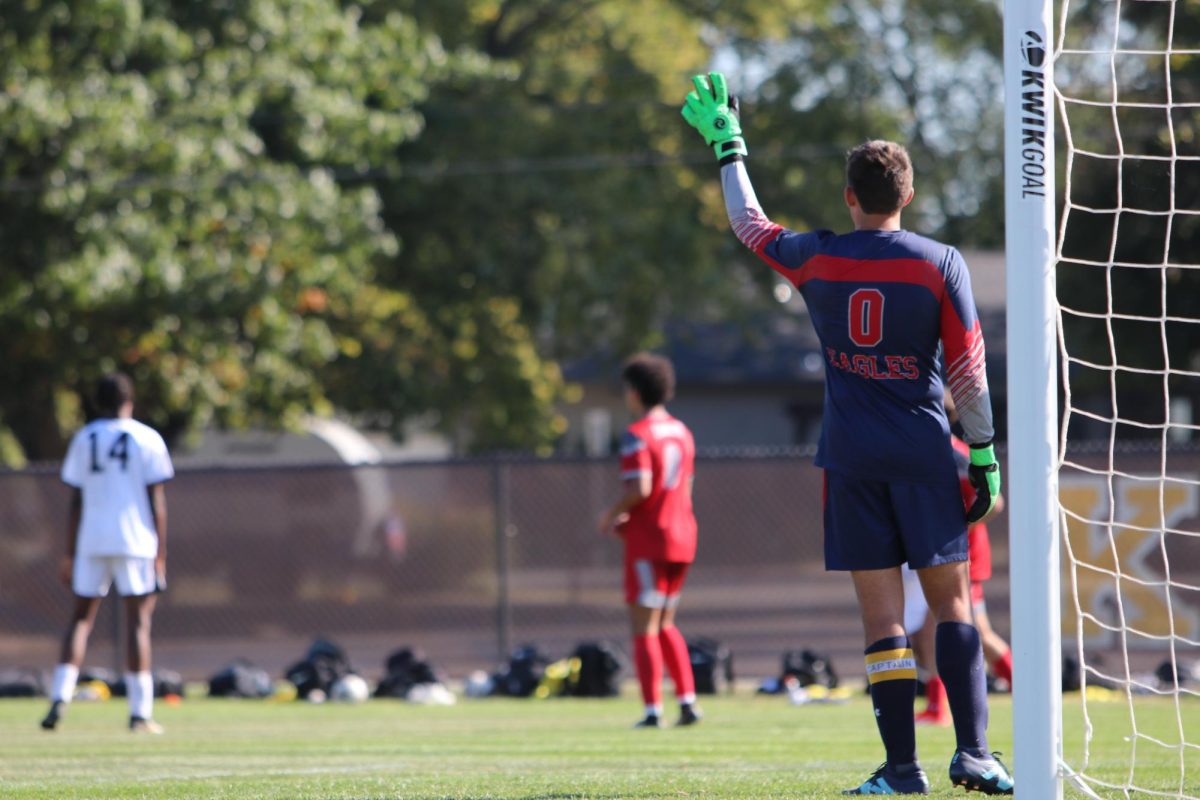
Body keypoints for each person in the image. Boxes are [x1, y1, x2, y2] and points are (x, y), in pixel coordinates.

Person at [682, 73, 1013, 794]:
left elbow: (750, 225)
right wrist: (983, 454)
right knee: (954, 605)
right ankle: (976, 753)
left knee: (882, 619)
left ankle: (902, 770)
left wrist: (729, 146)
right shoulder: (939, 262)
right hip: (929, 453)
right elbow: (969, 369)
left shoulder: (819, 258)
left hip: (853, 458)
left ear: (849, 198)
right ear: (909, 195)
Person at [41, 373, 174, 734]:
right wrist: (160, 552)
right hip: (135, 539)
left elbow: (76, 499)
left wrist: (69, 552)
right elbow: (156, 500)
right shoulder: (147, 438)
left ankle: (59, 696)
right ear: (129, 400)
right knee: (138, 622)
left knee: (80, 618)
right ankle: (139, 712)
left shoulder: (85, 437)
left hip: (92, 538)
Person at [597, 353, 701, 729]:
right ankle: (688, 701)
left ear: (635, 391)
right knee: (667, 622)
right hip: (683, 533)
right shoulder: (682, 432)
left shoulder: (637, 434)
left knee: (644, 626)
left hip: (650, 538)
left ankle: (652, 710)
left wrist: (610, 515)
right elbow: (683, 489)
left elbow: (640, 488)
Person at [908, 426, 1012, 727]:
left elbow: (995, 503)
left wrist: (958, 531)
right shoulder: (933, 450)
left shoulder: (955, 453)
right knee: (936, 629)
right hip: (947, 555)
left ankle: (938, 708)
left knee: (962, 629)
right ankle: (936, 706)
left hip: (962, 557)